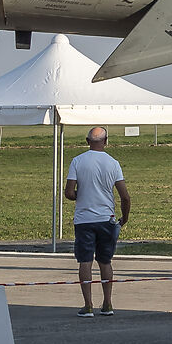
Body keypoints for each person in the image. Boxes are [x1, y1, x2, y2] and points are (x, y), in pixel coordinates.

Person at [67, 127, 132, 315]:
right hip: (106, 218)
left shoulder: (77, 161)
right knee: (105, 261)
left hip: (84, 219)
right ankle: (107, 303)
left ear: (87, 141)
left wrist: (81, 194)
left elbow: (69, 192)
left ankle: (88, 305)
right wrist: (124, 217)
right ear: (106, 141)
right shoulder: (113, 163)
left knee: (85, 261)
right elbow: (125, 196)